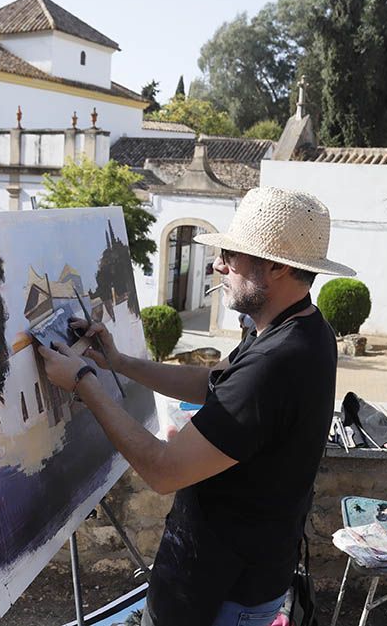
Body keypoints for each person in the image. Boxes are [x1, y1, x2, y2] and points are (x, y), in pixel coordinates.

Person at [37, 187, 355, 626]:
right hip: (232, 578)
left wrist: (83, 383)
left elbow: (163, 470)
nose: (218, 265)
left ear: (278, 266)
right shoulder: (300, 327)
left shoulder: (276, 363)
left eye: (231, 255)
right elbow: (214, 382)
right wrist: (119, 362)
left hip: (220, 597)